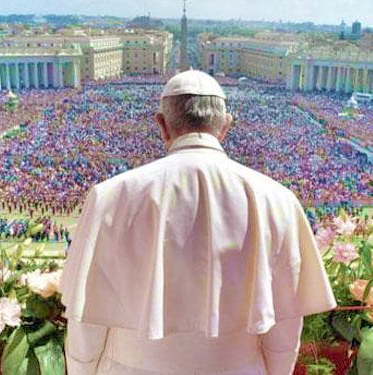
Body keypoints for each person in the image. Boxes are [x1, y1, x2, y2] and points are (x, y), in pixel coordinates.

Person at [59, 70, 337, 375]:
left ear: (162, 125)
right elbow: (284, 322)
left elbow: (87, 321)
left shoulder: (110, 196)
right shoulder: (278, 200)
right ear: (225, 127)